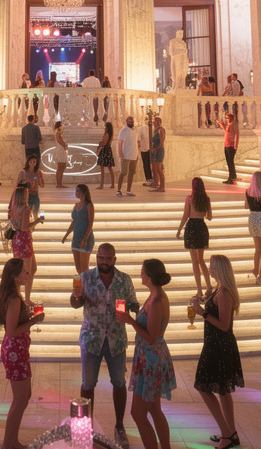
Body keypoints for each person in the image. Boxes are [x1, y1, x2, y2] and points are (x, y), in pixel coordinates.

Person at [71, 243, 140, 449]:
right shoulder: (85, 278)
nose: (104, 262)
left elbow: (134, 303)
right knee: (88, 383)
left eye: (108, 259)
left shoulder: (124, 280)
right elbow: (75, 303)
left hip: (116, 340)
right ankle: (86, 428)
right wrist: (77, 297)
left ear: (114, 259)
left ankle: (119, 426)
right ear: (97, 258)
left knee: (119, 382)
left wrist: (139, 311)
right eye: (101, 258)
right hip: (92, 339)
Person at [117, 259, 176, 449]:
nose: (140, 274)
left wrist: (130, 321)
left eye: (143, 272)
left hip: (151, 360)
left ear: (149, 277)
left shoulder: (157, 301)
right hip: (149, 357)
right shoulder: (154, 296)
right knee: (155, 409)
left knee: (138, 413)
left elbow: (151, 337)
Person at [190, 254, 245, 449]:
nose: (209, 270)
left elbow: (223, 325)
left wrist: (202, 312)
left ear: (220, 269)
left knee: (203, 387)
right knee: (223, 390)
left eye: (212, 267)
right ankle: (230, 432)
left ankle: (227, 434)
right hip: (215, 344)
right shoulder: (218, 290)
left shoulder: (225, 294)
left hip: (219, 346)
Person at [0, 258, 44, 449]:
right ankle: (9, 443)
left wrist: (29, 316)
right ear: (15, 276)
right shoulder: (14, 299)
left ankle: (11, 441)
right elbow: (11, 331)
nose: (28, 274)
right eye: (24, 272)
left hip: (19, 351)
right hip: (15, 352)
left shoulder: (14, 295)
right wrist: (34, 321)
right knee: (19, 400)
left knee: (25, 396)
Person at [176, 177, 213, 297]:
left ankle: (199, 291)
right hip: (201, 227)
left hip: (191, 227)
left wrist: (179, 229)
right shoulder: (206, 199)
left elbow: (185, 215)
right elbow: (210, 217)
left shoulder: (189, 198)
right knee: (201, 260)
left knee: (194, 262)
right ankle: (209, 287)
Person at [8, 187, 43, 303]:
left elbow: (14, 223)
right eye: (26, 194)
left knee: (33, 268)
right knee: (27, 270)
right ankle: (25, 298)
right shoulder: (25, 209)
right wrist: (37, 221)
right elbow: (24, 227)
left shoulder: (14, 207)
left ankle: (21, 295)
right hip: (24, 239)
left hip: (17, 238)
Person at [62, 184, 96, 275]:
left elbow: (90, 223)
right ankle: (82, 286)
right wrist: (66, 235)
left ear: (83, 192)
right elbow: (74, 222)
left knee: (84, 268)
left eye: (78, 191)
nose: (76, 193)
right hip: (76, 238)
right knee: (78, 268)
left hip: (85, 237)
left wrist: (85, 238)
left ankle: (87, 287)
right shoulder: (76, 205)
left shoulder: (89, 205)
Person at [116, 116, 139, 196]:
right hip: (125, 154)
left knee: (131, 173)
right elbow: (120, 142)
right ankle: (118, 190)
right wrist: (121, 154)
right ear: (126, 122)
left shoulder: (135, 130)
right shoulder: (124, 130)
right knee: (123, 172)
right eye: (129, 121)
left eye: (132, 121)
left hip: (134, 154)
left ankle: (128, 190)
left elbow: (136, 141)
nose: (131, 122)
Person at [95, 121, 116, 189]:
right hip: (107, 150)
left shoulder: (107, 134)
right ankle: (112, 184)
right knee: (109, 168)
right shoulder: (109, 134)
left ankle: (102, 185)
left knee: (103, 168)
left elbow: (104, 143)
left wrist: (99, 146)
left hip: (105, 150)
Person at [137, 109, 154, 185]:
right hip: (150, 148)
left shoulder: (140, 129)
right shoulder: (151, 128)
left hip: (144, 149)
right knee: (152, 164)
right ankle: (153, 179)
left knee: (146, 165)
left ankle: (149, 179)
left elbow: (139, 140)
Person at [51, 120, 70, 187]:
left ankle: (59, 183)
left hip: (61, 149)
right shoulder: (58, 132)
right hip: (60, 149)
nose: (63, 126)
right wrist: (64, 145)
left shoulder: (59, 132)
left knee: (62, 166)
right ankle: (59, 183)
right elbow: (59, 140)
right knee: (60, 167)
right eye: (62, 125)